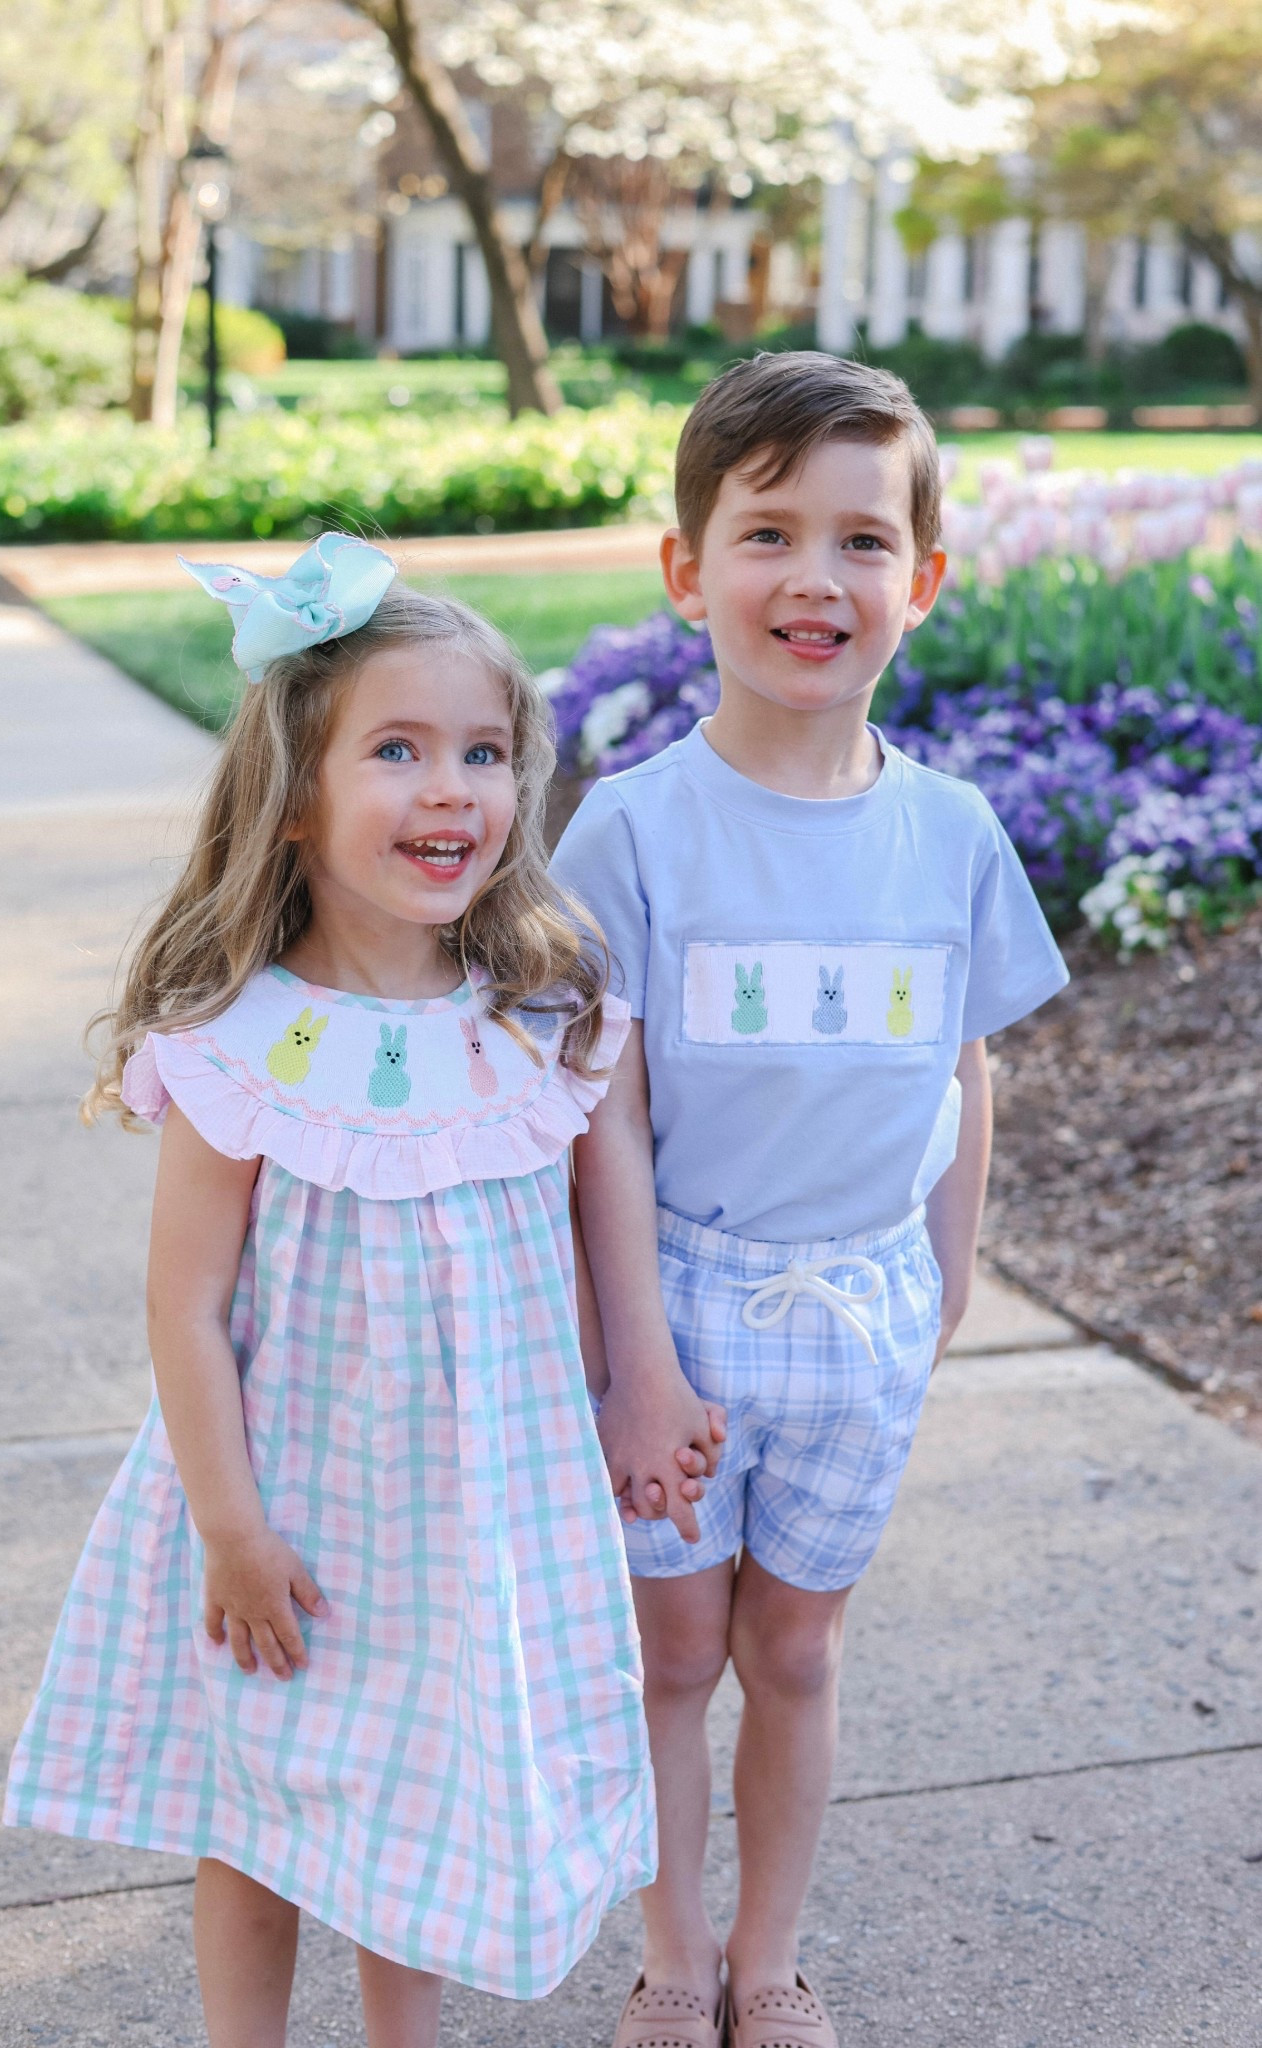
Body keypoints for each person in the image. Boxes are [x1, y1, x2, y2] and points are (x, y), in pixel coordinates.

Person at [4, 536, 706, 2048]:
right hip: (292, 1511)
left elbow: (596, 1235)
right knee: (254, 1810)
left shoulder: (540, 1019)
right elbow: (185, 1308)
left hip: (473, 1514)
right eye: (397, 751)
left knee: (427, 1809)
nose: (451, 788)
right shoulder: (242, 1042)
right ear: (295, 795)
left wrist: (633, 1394)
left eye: (482, 753)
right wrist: (231, 1530)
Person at [550, 352, 1069, 2048]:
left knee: (793, 1654)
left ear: (921, 581)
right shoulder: (632, 832)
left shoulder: (951, 833)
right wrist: (631, 1360)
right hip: (677, 1307)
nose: (813, 579)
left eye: (861, 541)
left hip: (861, 1313)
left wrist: (945, 1284)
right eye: (766, 533)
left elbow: (961, 1069)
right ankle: (672, 1954)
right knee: (672, 1658)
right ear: (685, 567)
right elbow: (602, 1116)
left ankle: (767, 1960)